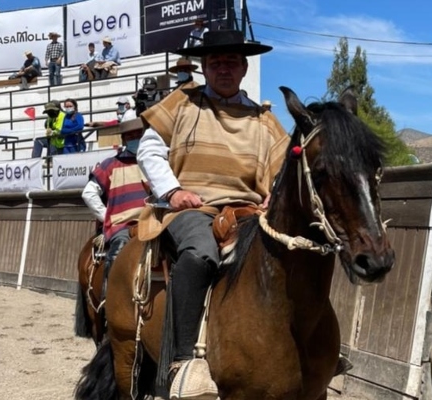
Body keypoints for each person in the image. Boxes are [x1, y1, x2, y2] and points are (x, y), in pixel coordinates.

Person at [136, 30, 289, 398]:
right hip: (194, 207)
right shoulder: (181, 103)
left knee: (292, 256)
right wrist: (173, 191)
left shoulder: (265, 120)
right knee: (200, 253)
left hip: (249, 212)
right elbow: (149, 153)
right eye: (216, 62)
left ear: (243, 67)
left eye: (231, 62)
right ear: (204, 67)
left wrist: (274, 197)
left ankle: (311, 351)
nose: (224, 68)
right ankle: (183, 362)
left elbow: (281, 169)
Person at [81, 129, 148, 283]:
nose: (135, 139)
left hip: (155, 223)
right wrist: (108, 218)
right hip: (124, 226)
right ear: (124, 140)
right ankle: (108, 299)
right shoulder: (109, 165)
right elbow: (89, 193)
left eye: (138, 135)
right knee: (117, 254)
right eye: (130, 136)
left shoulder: (156, 162)